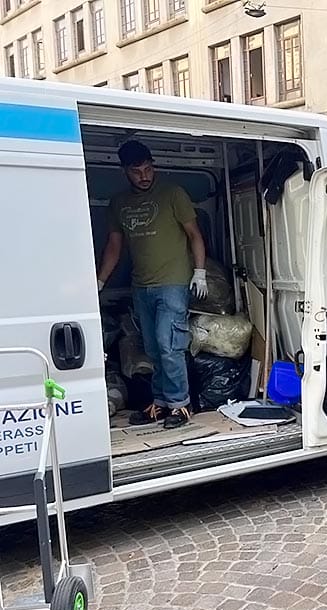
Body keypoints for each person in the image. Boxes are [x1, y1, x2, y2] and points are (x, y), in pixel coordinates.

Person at [97, 140, 208, 430]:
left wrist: (200, 272)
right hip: (141, 285)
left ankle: (180, 405)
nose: (144, 176)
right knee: (153, 348)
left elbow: (194, 234)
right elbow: (114, 246)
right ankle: (160, 403)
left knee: (168, 344)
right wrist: (99, 281)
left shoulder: (173, 194)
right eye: (137, 171)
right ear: (125, 171)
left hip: (173, 282)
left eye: (148, 169)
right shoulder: (119, 203)